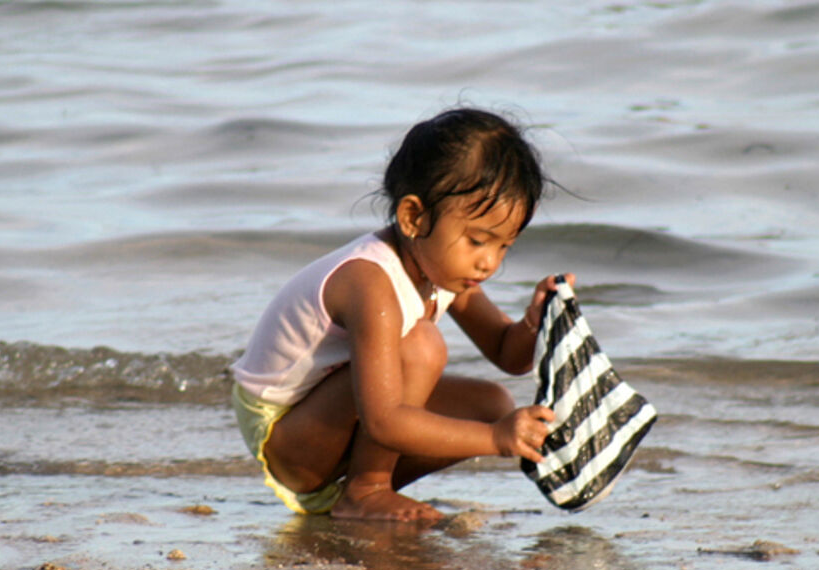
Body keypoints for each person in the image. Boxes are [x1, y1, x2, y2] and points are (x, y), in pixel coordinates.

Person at [230, 107, 574, 521]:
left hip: (336, 419)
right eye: (478, 240)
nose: (488, 263)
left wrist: (534, 321)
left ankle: (366, 489)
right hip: (287, 436)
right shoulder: (370, 281)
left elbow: (508, 354)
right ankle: (366, 490)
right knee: (423, 346)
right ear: (414, 217)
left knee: (492, 403)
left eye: (504, 246)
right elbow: (384, 420)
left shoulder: (442, 270)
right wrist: (496, 440)